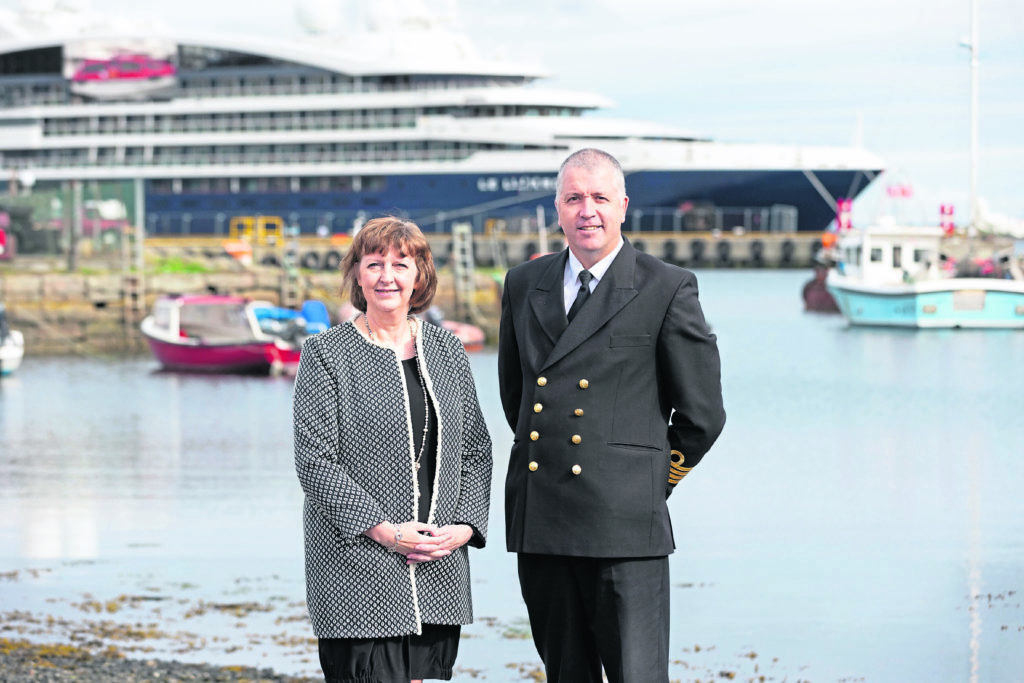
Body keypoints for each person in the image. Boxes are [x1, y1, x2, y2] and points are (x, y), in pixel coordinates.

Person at [497, 148, 726, 682]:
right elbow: (518, 398)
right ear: (557, 209)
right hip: (544, 520)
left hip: (625, 524)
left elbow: (703, 414)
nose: (587, 211)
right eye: (574, 198)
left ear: (623, 206)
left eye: (599, 198)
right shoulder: (523, 284)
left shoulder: (667, 286)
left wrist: (648, 480)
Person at [293, 216, 493, 683]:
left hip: (436, 564)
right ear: (357, 274)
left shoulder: (448, 350)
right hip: (357, 565)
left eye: (401, 264)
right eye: (375, 263)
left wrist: (464, 527)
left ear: (419, 274)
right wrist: (384, 531)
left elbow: (476, 450)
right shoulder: (326, 354)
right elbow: (314, 462)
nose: (388, 276)